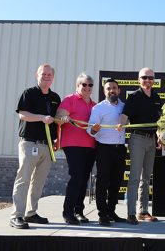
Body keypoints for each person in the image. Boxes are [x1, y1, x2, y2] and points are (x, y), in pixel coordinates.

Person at [10, 63, 61, 229]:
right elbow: (22, 114)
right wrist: (41, 117)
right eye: (43, 74)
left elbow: (56, 122)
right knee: (23, 179)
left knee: (38, 181)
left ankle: (31, 213)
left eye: (49, 75)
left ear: (53, 78)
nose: (46, 77)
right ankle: (16, 215)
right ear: (37, 75)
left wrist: (56, 140)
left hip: (47, 145)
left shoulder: (55, 97)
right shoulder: (29, 93)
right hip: (30, 142)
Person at [117, 67, 162, 225]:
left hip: (152, 140)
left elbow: (160, 122)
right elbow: (124, 116)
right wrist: (121, 124)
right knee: (135, 177)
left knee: (146, 178)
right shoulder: (134, 96)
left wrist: (161, 138)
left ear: (154, 80)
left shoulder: (156, 97)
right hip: (137, 139)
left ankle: (143, 211)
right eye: (144, 77)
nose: (147, 80)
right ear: (139, 79)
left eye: (150, 77)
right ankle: (131, 213)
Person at [56, 73, 96, 225]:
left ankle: (79, 211)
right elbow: (59, 115)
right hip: (72, 145)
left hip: (90, 145)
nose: (87, 87)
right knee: (76, 177)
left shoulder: (94, 105)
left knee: (84, 179)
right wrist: (64, 118)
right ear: (78, 85)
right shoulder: (69, 99)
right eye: (84, 84)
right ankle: (68, 212)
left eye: (90, 85)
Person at [87, 79, 127, 226]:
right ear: (104, 92)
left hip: (120, 148)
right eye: (108, 88)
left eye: (114, 88)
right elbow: (90, 129)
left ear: (119, 90)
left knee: (116, 183)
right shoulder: (98, 108)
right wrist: (93, 130)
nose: (112, 91)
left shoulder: (125, 107)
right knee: (103, 182)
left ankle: (111, 211)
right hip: (104, 148)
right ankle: (102, 214)